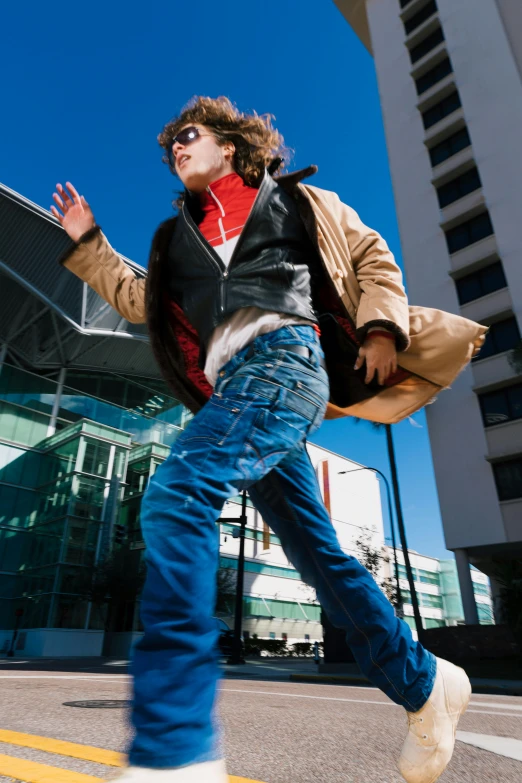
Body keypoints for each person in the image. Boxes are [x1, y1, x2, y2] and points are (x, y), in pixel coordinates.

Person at [51, 96, 487, 783]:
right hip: (234, 390)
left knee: (178, 494)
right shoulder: (174, 240)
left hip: (288, 360)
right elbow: (138, 300)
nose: (176, 150)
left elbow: (371, 256)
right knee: (319, 558)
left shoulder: (296, 201)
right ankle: (426, 681)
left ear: (230, 143)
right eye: (169, 147)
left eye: (188, 137)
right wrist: (90, 245)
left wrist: (380, 328)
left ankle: (177, 750)